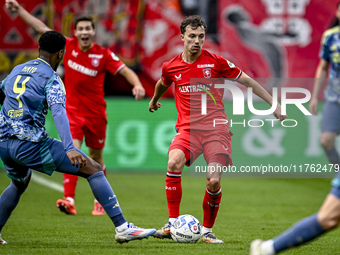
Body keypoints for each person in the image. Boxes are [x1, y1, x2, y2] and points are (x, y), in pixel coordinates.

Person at [0, 30, 155, 245]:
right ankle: (122, 227)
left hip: (4, 144)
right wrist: (70, 147)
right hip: (29, 144)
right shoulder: (52, 78)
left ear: (39, 49)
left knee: (18, 184)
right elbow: (58, 112)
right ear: (60, 53)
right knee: (93, 168)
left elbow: (2, 93)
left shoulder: (16, 70)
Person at [148, 15, 286, 244]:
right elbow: (163, 82)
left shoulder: (215, 62)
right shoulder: (171, 66)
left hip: (215, 130)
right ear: (182, 37)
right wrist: (154, 100)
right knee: (173, 162)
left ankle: (207, 231)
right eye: (192, 36)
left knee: (213, 181)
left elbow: (248, 81)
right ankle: (172, 224)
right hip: (188, 130)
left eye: (201, 37)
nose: (196, 41)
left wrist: (273, 104)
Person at [5, 0, 145, 216]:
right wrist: (20, 9)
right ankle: (69, 199)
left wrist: (136, 84)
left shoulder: (103, 54)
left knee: (96, 158)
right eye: (80, 29)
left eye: (88, 28)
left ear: (93, 31)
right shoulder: (67, 47)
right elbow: (41, 29)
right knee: (73, 151)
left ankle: (100, 202)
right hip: (73, 111)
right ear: (75, 32)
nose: (84, 32)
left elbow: (125, 70)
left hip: (96, 113)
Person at [250, 3, 340, 254]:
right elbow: (323, 66)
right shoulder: (331, 37)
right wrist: (315, 95)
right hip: (334, 100)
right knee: (329, 216)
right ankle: (268, 249)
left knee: (329, 217)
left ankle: (267, 249)